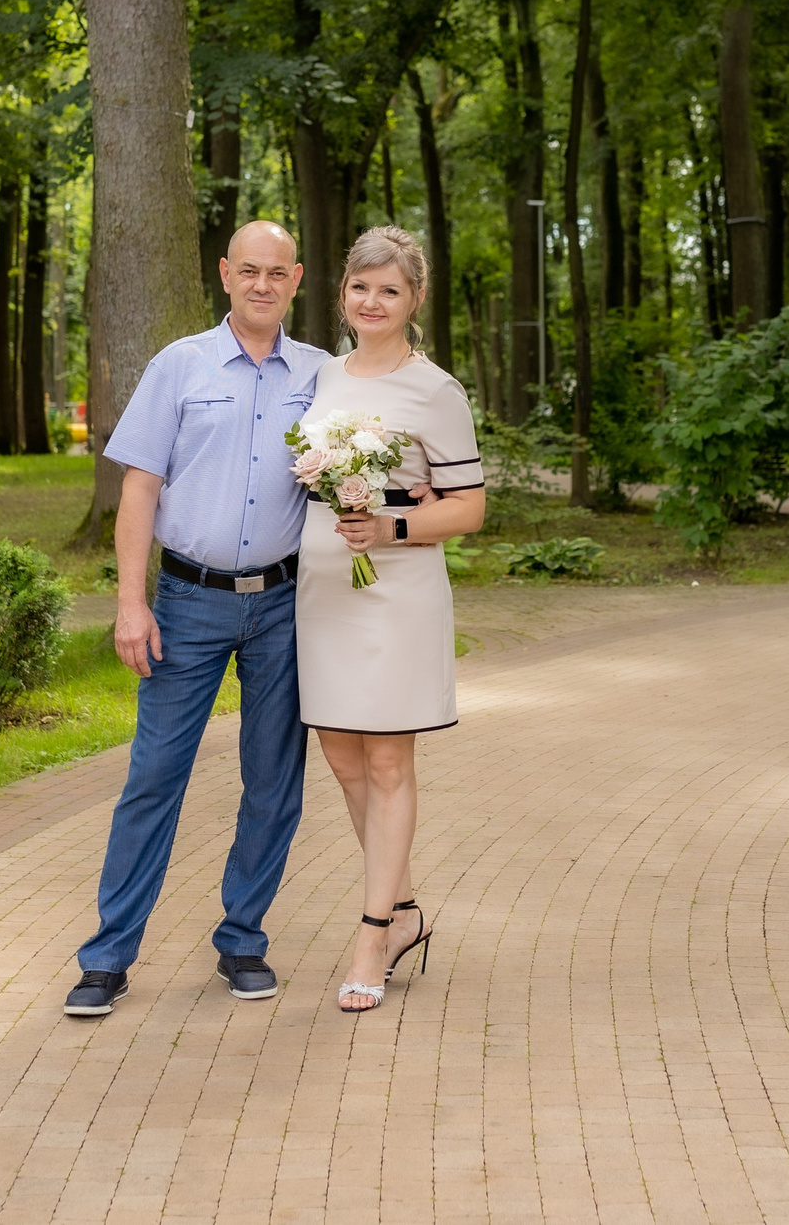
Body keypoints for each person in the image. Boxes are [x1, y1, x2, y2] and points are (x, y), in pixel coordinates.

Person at [64, 221, 326, 1017]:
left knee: (274, 781)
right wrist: (130, 602)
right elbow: (139, 489)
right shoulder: (178, 365)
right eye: (248, 270)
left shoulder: (323, 376)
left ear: (297, 279)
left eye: (276, 272)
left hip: (283, 605)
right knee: (154, 776)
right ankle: (107, 957)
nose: (261, 284)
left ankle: (243, 939)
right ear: (224, 273)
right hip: (187, 601)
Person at [293, 225, 487, 1012]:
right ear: (342, 291)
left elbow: (468, 507)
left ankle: (373, 933)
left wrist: (393, 526)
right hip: (325, 587)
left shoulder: (435, 389)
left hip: (396, 591)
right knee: (342, 758)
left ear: (416, 299)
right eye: (360, 286)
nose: (372, 301)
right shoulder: (323, 374)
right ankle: (405, 909)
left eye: (390, 289)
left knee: (386, 763)